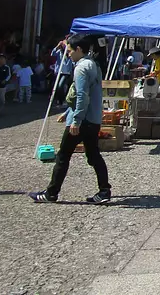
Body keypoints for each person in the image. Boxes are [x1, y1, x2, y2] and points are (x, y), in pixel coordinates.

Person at [29, 35, 111, 204]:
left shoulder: (81, 68)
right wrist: (68, 112)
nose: (68, 54)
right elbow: (85, 94)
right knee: (93, 155)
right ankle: (104, 190)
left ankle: (51, 193)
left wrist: (76, 120)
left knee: (63, 155)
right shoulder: (94, 64)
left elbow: (81, 95)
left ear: (79, 50)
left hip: (82, 120)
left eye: (70, 50)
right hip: (93, 119)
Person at [52, 39, 75, 108]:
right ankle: (60, 101)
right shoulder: (59, 52)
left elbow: (73, 62)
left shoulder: (69, 53)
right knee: (57, 87)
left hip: (66, 72)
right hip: (59, 71)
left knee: (60, 85)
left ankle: (63, 101)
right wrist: (57, 46)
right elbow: (52, 54)